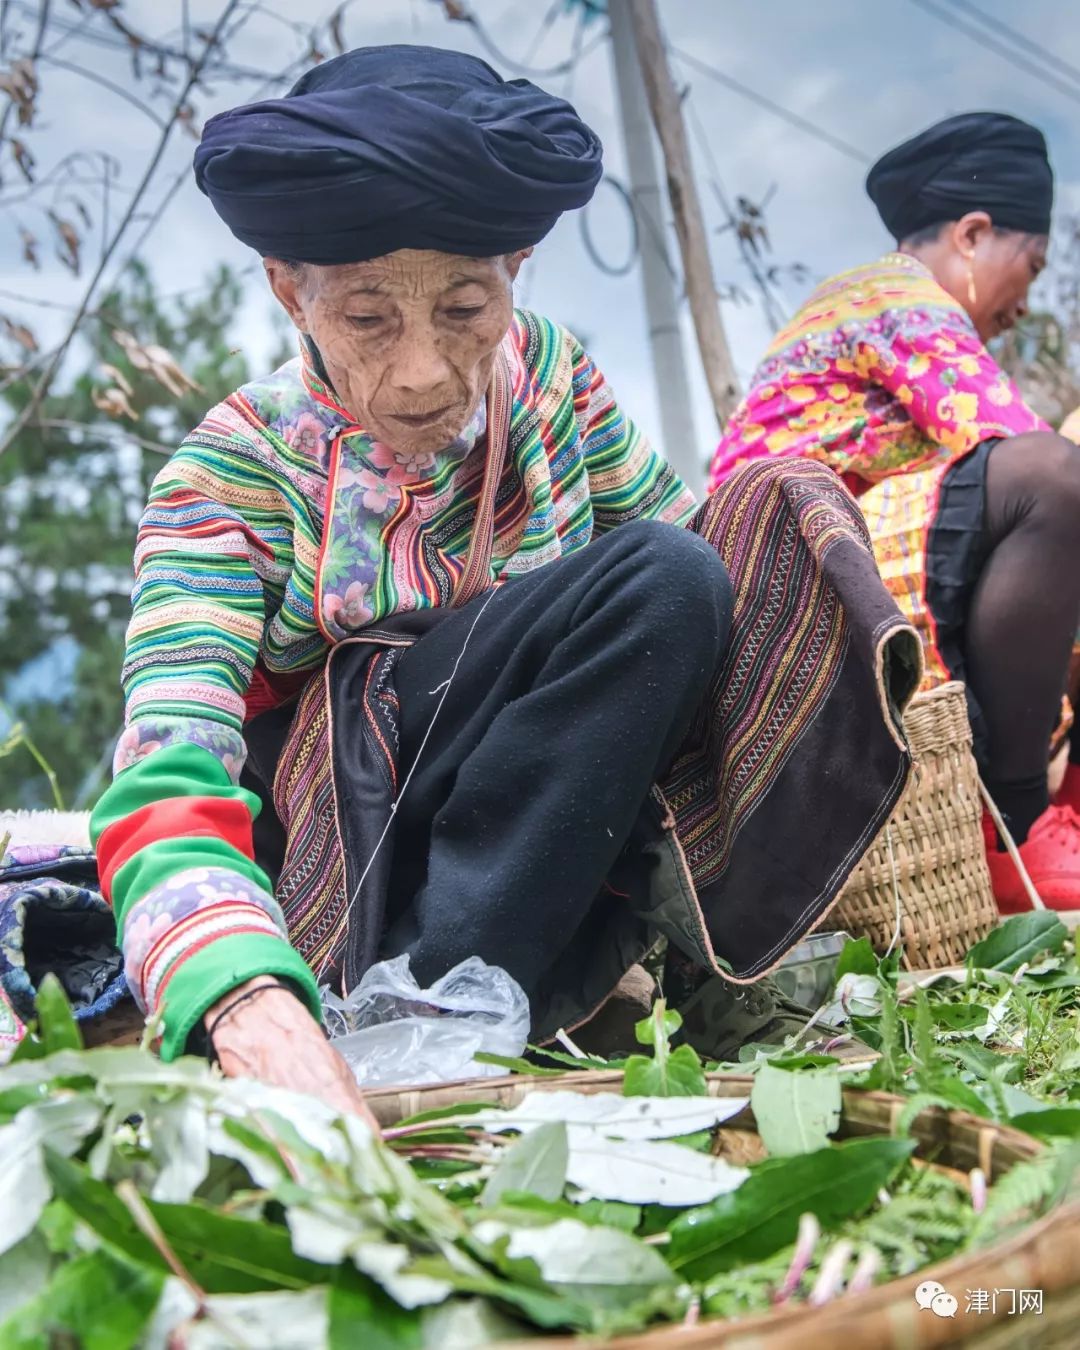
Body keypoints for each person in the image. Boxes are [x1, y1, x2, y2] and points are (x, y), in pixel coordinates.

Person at [90, 45, 916, 1117]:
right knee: (663, 576)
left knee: (763, 522)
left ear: (517, 267)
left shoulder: (557, 381)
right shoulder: (229, 472)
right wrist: (243, 999)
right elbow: (169, 761)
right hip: (351, 870)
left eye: (466, 308)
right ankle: (429, 1009)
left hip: (546, 843)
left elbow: (691, 579)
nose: (426, 369)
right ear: (290, 291)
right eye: (369, 317)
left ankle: (671, 962)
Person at [709, 111, 1080, 914]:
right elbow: (1020, 445)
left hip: (819, 562)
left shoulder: (879, 308)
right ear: (975, 234)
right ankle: (1019, 823)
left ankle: (1059, 806)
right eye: (1034, 263)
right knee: (1053, 479)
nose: (1026, 300)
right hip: (785, 581)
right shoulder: (893, 294)